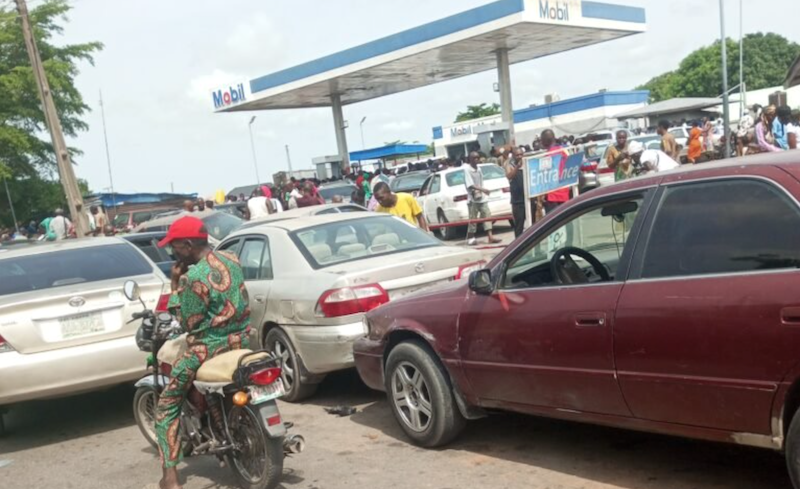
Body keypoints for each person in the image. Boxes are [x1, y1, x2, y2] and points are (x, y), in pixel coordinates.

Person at [152, 216, 251, 489]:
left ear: (187, 245)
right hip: (242, 340)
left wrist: (174, 287)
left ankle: (170, 476)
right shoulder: (232, 258)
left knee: (167, 405)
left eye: (174, 246)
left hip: (207, 349)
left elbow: (186, 323)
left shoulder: (190, 278)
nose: (172, 252)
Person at [464, 151, 501, 246]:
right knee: (473, 219)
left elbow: (481, 181)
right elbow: (470, 185)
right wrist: (482, 189)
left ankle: (490, 237)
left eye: (478, 158)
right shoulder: (467, 170)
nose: (477, 160)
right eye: (474, 158)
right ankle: (471, 237)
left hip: (481, 197)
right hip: (472, 199)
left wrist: (482, 191)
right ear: (470, 160)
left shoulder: (479, 169)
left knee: (487, 215)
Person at [540, 130, 571, 214]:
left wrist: (542, 194)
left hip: (552, 195)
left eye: (541, 140)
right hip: (565, 192)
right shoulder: (565, 151)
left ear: (545, 141)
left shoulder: (548, 156)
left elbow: (545, 177)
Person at [504, 146, 528, 238]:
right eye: (517, 155)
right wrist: (517, 167)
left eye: (521, 154)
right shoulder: (509, 164)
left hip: (528, 199)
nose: (520, 156)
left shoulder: (526, 163)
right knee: (519, 226)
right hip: (518, 201)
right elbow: (509, 176)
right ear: (513, 156)